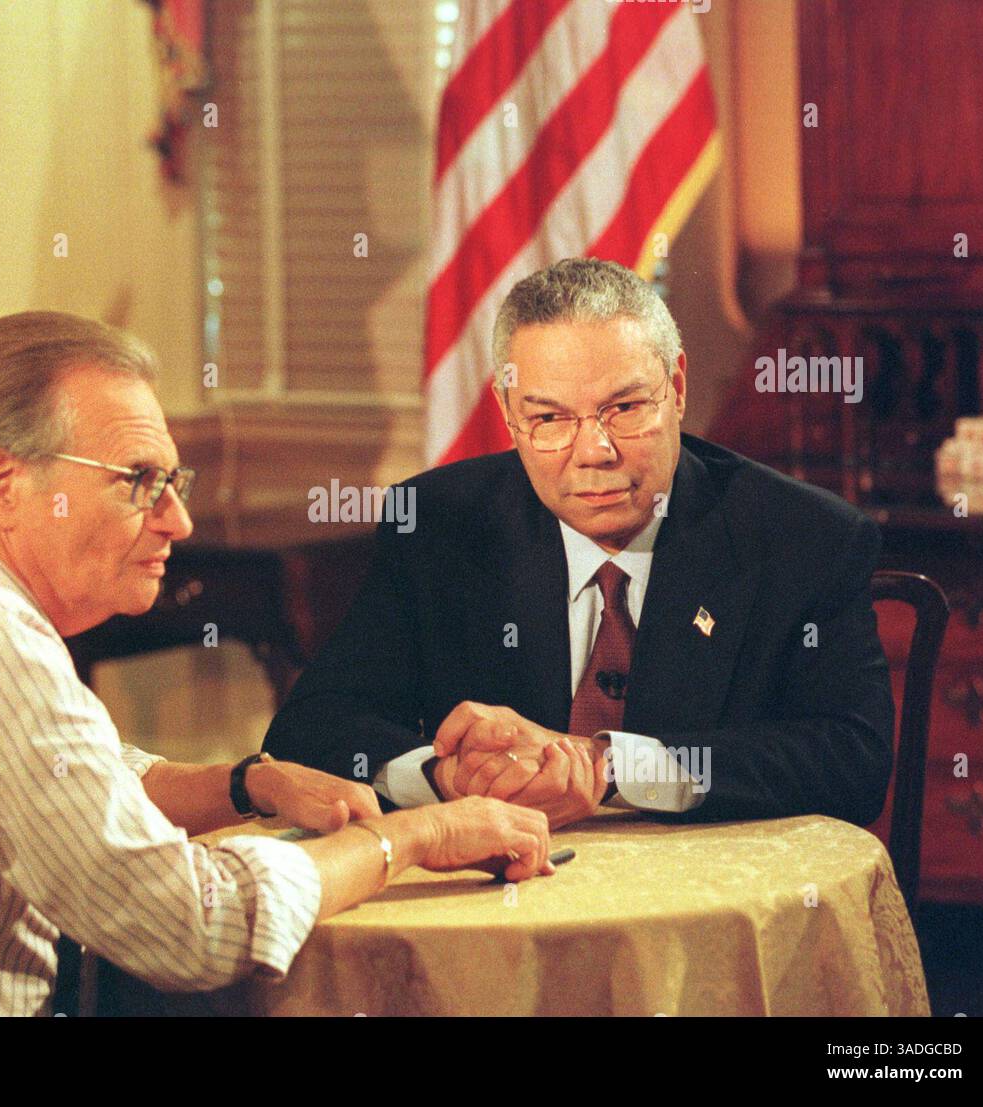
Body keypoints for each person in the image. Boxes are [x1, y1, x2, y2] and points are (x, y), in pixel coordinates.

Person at [0, 311, 552, 1016]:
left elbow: (72, 779)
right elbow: (193, 929)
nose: (179, 519)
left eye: (174, 479)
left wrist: (246, 782)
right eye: (140, 480)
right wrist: (419, 833)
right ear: (3, 482)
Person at [264, 258, 894, 830]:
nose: (594, 452)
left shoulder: (800, 537)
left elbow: (851, 757)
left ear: (676, 389)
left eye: (624, 408)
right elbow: (312, 729)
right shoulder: (436, 524)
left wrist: (606, 767)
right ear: (509, 415)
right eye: (549, 419)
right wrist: (442, 776)